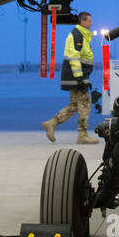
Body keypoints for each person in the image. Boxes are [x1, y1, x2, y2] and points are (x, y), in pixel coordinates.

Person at [42, 12, 99, 144]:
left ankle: (52, 123)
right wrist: (80, 78)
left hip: (76, 75)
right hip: (76, 76)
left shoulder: (82, 36)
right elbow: (74, 57)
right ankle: (82, 135)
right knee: (84, 103)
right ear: (82, 22)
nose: (91, 23)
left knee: (75, 104)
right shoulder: (77, 35)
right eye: (89, 21)